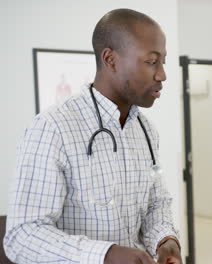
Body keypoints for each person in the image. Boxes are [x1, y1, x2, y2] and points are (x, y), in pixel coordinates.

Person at [4, 9, 182, 264]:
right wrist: (105, 255)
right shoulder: (53, 128)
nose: (162, 74)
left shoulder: (146, 130)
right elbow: (22, 237)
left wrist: (165, 240)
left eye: (163, 62)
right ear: (110, 60)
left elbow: (156, 204)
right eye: (152, 62)